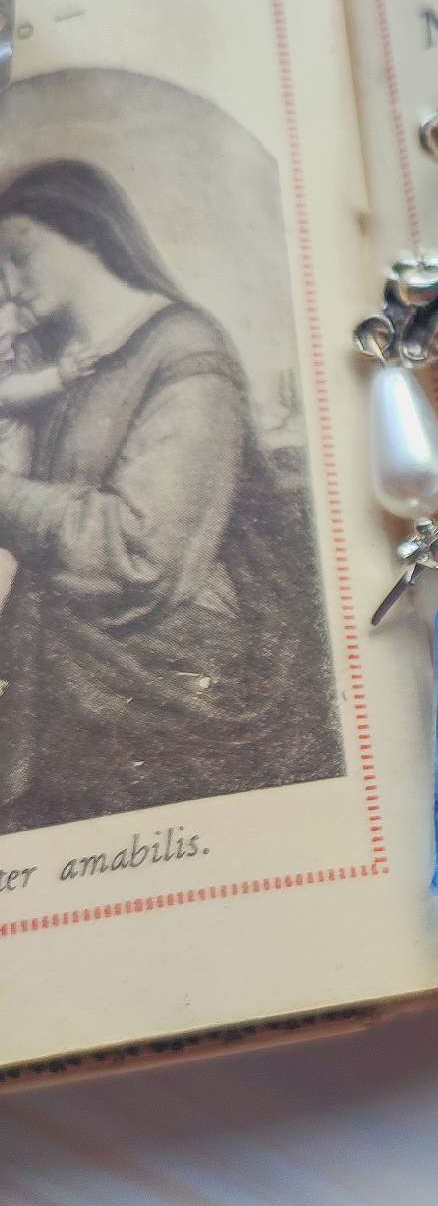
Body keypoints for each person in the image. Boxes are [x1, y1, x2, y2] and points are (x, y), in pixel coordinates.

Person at [0, 160, 338, 834]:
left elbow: (141, 553)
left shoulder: (186, 351)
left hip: (164, 685)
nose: (7, 284)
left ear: (88, 234)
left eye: (21, 255)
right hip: (59, 684)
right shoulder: (47, 363)